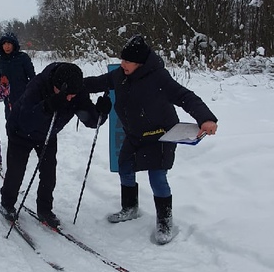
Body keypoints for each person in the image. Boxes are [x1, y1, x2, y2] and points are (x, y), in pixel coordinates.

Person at [84, 35, 218, 244]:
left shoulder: (159, 78)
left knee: (157, 177)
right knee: (125, 168)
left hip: (161, 136)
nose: (123, 64)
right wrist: (69, 85)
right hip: (135, 135)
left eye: (128, 61)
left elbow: (186, 96)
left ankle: (165, 222)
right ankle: (130, 208)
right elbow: (95, 83)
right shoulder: (119, 75)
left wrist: (206, 118)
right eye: (122, 60)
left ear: (140, 63)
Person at [0, 62, 111, 226]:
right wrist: (49, 104)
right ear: (55, 84)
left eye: (73, 95)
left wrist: (100, 113)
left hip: (47, 134)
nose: (69, 98)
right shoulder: (37, 86)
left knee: (48, 172)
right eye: (65, 94)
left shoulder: (75, 90)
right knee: (16, 170)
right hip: (20, 132)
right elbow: (26, 120)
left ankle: (45, 209)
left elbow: (89, 119)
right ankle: (8, 203)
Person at [0, 32, 35, 122]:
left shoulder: (23, 57)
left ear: (14, 44)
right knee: (10, 120)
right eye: (4, 44)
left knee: (24, 120)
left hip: (23, 94)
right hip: (8, 95)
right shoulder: (1, 60)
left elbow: (33, 77)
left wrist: (33, 91)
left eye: (9, 43)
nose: (7, 46)